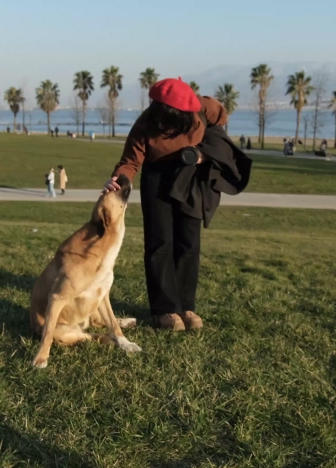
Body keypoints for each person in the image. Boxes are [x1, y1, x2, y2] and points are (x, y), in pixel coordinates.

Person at [102, 77, 250, 331]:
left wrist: (207, 151)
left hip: (191, 176)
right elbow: (130, 161)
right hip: (157, 178)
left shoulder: (203, 108)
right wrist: (118, 180)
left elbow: (221, 117)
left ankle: (186, 306)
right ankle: (165, 310)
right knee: (160, 243)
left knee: (189, 242)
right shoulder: (146, 123)